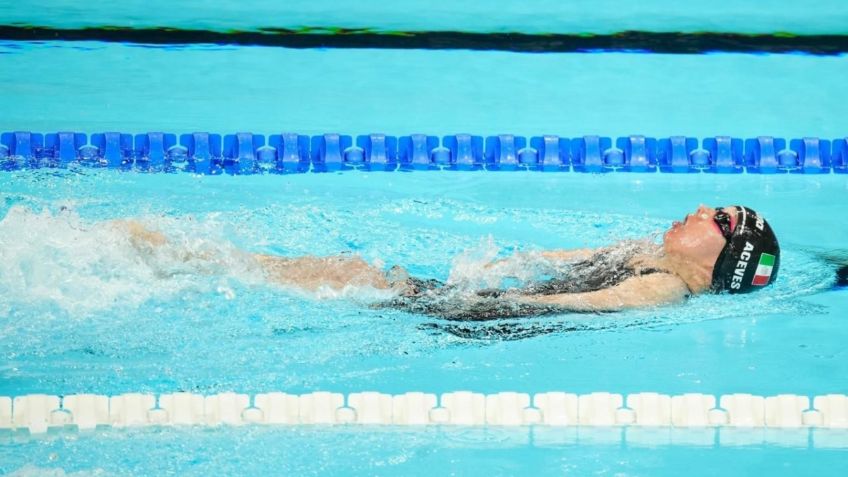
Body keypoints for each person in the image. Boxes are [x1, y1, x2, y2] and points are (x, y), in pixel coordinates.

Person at [119, 204, 782, 321]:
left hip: (482, 319)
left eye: (719, 219)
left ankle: (194, 264)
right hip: (483, 300)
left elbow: (573, 307)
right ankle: (197, 262)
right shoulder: (643, 253)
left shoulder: (662, 288)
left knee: (357, 278)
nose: (701, 208)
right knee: (351, 272)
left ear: (726, 254)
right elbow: (547, 262)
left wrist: (475, 300)